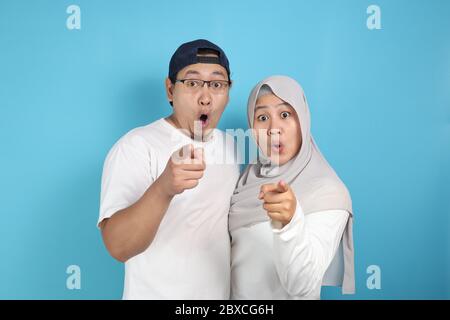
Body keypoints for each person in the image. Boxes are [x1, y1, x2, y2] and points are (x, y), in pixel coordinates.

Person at [98, 39, 240, 299]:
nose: (206, 97)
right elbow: (118, 247)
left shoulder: (231, 146)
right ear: (170, 90)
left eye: (217, 84)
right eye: (193, 83)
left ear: (228, 92)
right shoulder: (135, 146)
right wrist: (164, 188)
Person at [229, 75, 355, 299]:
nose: (274, 128)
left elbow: (303, 285)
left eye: (285, 114)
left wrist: (290, 222)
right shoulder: (245, 181)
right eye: (262, 117)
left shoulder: (328, 191)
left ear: (303, 120)